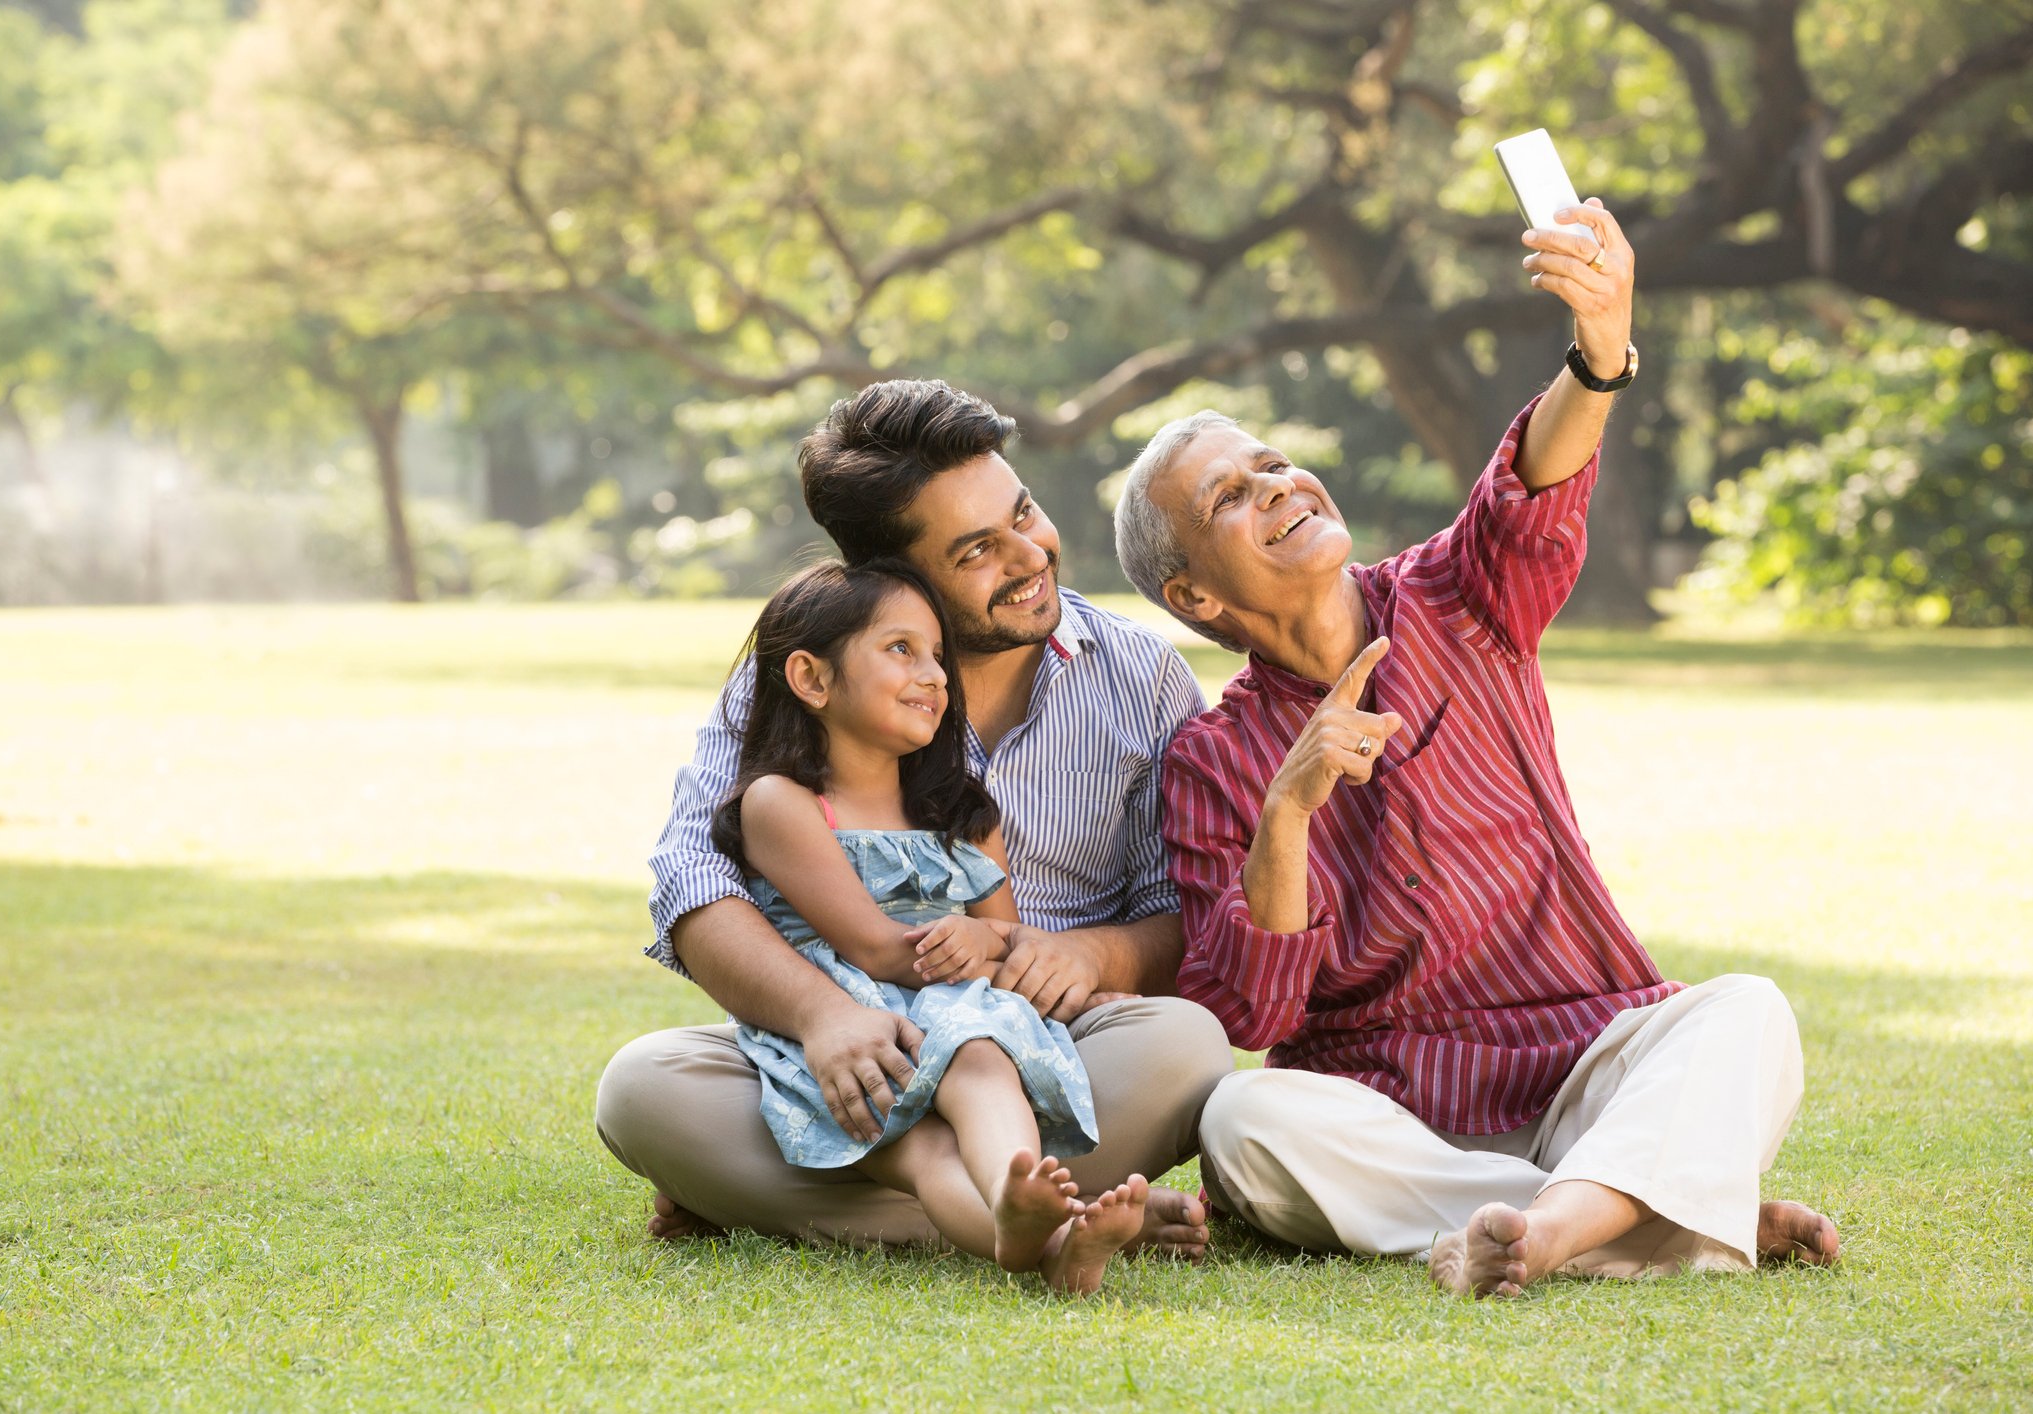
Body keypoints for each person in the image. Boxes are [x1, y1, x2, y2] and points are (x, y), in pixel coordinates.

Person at [1112, 198, 1840, 1296]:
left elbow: (1535, 482)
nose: (1277, 485)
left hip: (1591, 1058)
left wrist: (1599, 352)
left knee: (1748, 1010)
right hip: (1402, 1116)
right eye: (1230, 495)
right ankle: (1646, 1208)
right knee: (1243, 1118)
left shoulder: (1457, 596)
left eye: (1272, 463)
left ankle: (1561, 1226)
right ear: (1193, 593)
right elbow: (1250, 1016)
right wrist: (1288, 811)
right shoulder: (1211, 761)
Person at [596, 379, 1232, 1253]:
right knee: (643, 1087)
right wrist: (823, 1019)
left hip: (1040, 1039)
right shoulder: (810, 675)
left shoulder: (1139, 674)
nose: (1031, 554)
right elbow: (694, 881)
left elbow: (1187, 909)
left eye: (1024, 513)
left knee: (1187, 1045)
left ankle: (799, 1203)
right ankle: (1046, 1216)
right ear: (891, 578)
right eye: (978, 550)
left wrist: (1090, 953)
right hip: (854, 1041)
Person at [709, 557, 1149, 1293]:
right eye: (900, 650)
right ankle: (1032, 1218)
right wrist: (982, 946)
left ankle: (1036, 1233)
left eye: (938, 656)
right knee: (929, 1143)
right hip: (858, 1039)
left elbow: (1010, 944)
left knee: (979, 1060)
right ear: (812, 680)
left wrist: (1001, 949)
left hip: (962, 1021)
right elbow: (875, 947)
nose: (935, 675)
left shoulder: (962, 815)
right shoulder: (782, 804)